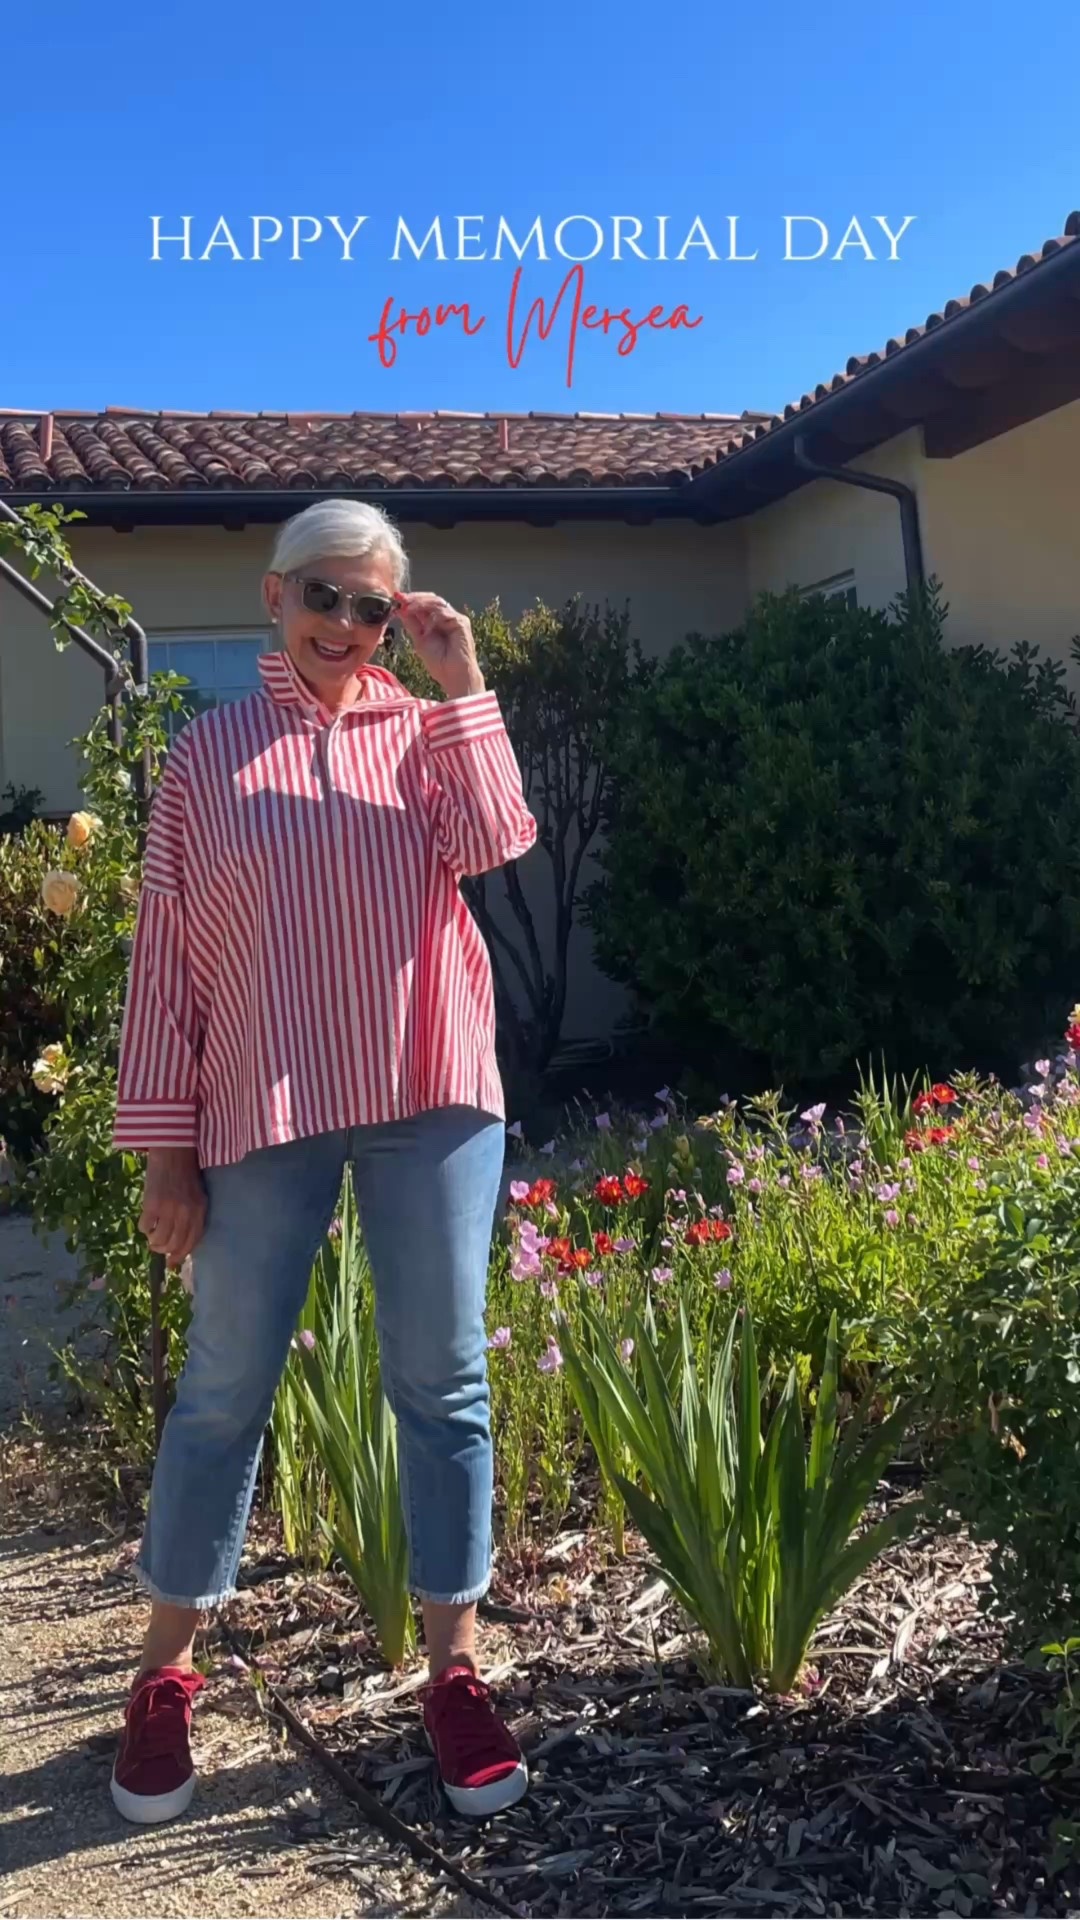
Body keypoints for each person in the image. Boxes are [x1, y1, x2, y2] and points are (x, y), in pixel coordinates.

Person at [109, 498, 537, 1825]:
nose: (343, 627)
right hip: (261, 1100)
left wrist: (460, 678)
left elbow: (499, 841)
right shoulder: (207, 757)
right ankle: (166, 1673)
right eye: (323, 598)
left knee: (442, 1383)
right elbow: (166, 961)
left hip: (429, 1090)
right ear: (272, 597)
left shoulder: (423, 737)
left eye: (368, 607)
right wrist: (165, 1144)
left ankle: (455, 1674)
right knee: (223, 1388)